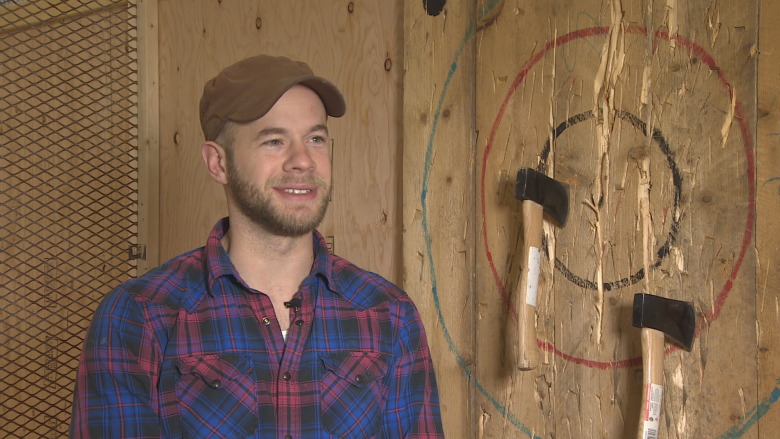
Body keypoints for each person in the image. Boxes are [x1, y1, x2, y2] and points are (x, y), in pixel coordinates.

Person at [69, 54, 444, 438]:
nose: (302, 161)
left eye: (315, 138)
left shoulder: (389, 315)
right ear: (218, 163)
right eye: (274, 141)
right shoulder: (139, 317)